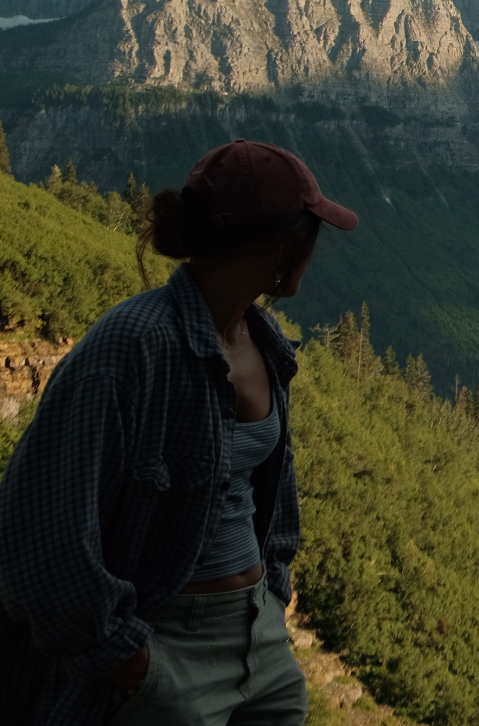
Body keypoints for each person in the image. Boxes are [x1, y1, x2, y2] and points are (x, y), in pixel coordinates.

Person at [0, 139, 358, 725]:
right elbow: (40, 540)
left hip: (260, 641)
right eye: (312, 237)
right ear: (278, 247)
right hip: (165, 647)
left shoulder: (264, 344)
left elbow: (269, 495)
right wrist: (134, 666)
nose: (316, 254)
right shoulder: (131, 349)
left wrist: (272, 600)